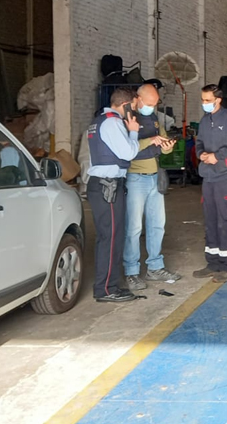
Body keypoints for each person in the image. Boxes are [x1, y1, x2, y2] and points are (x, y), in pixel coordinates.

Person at [85, 88, 142, 303]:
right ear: (126, 105)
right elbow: (128, 153)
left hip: (102, 186)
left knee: (107, 238)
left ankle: (107, 286)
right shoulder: (113, 122)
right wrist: (134, 131)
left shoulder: (98, 121)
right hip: (107, 187)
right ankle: (107, 289)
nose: (134, 112)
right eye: (134, 107)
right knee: (111, 239)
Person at [124, 84, 182, 291]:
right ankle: (131, 272)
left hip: (154, 176)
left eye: (155, 104)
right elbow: (125, 150)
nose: (151, 107)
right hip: (135, 178)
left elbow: (164, 144)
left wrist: (167, 147)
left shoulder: (154, 118)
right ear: (137, 99)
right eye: (149, 104)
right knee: (134, 228)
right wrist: (150, 140)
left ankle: (155, 267)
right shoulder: (127, 118)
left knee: (157, 225)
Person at [192, 84, 227, 283]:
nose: (204, 104)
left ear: (218, 100)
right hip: (208, 177)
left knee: (226, 220)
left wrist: (218, 156)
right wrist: (202, 154)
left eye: (207, 100)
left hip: (225, 177)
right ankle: (213, 262)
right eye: (202, 100)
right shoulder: (205, 121)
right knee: (210, 221)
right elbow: (199, 142)